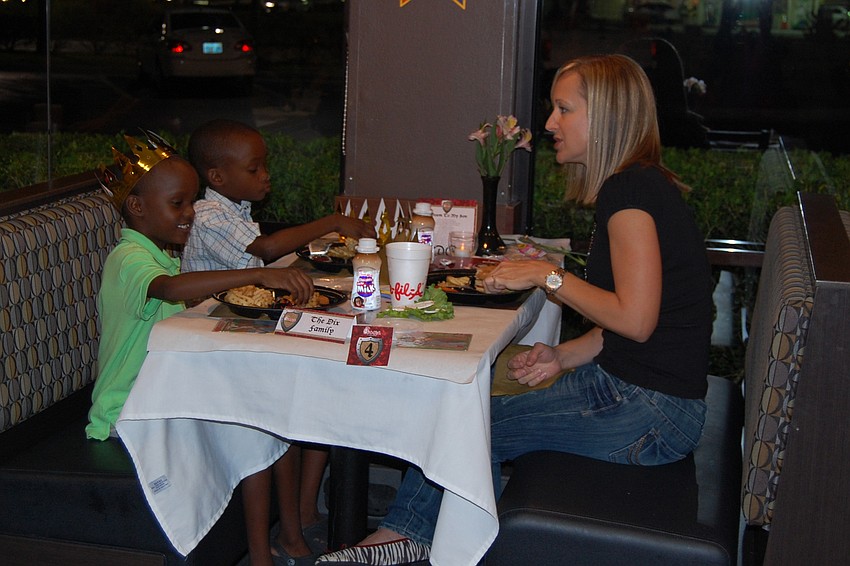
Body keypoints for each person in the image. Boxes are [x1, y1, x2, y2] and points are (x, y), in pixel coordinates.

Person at [315, 53, 714, 565]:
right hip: (641, 395)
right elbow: (643, 325)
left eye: (564, 109)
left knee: (465, 426)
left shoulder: (630, 194)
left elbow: (637, 321)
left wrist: (546, 275)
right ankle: (412, 536)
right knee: (470, 409)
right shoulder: (637, 185)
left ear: (607, 115)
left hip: (650, 412)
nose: (550, 123)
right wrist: (561, 356)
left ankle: (402, 542)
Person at [85, 131, 317, 566]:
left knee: (274, 417)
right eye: (179, 204)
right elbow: (171, 289)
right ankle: (261, 556)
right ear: (136, 207)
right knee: (255, 427)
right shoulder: (129, 259)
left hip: (167, 389)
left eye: (191, 202)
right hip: (129, 407)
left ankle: (288, 533)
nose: (190, 213)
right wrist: (254, 277)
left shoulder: (161, 254)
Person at [181, 119, 376, 565]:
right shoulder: (210, 215)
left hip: (240, 332)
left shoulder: (235, 209)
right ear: (217, 177)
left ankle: (303, 515)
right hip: (210, 345)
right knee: (290, 410)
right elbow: (264, 251)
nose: (265, 175)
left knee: (316, 389)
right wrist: (332, 220)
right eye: (255, 168)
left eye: (264, 165)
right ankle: (289, 533)